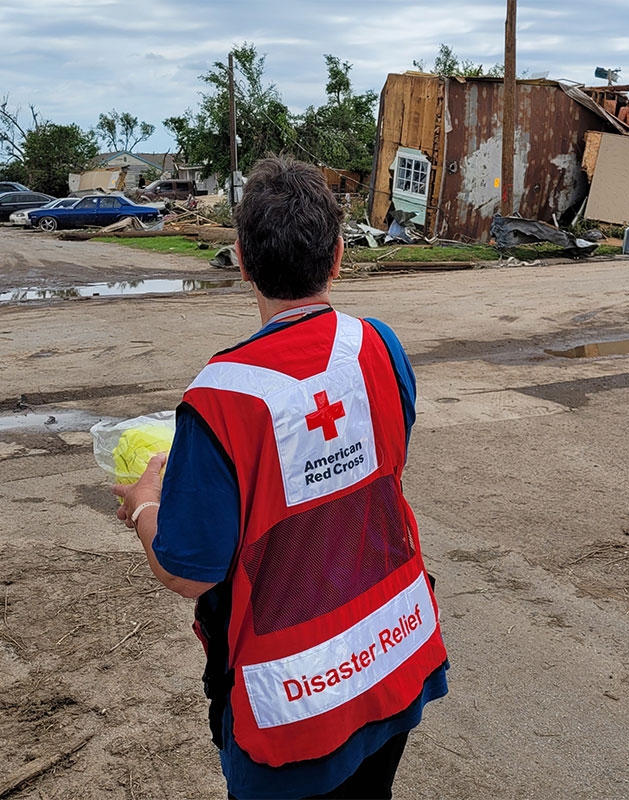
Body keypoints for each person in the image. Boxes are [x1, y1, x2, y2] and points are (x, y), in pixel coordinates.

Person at [113, 155, 448, 800]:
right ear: (339, 256)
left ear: (240, 262)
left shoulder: (220, 397)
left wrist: (144, 504)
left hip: (293, 700)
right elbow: (380, 462)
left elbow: (190, 569)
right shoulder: (380, 345)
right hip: (393, 651)